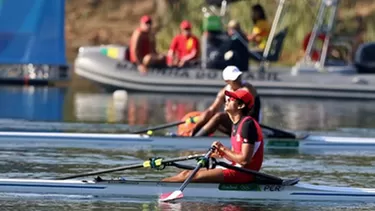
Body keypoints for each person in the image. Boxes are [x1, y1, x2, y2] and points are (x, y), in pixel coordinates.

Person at [162, 89, 264, 183]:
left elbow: (244, 160)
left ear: (241, 106)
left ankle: (158, 189)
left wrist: (223, 148)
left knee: (192, 176)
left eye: (232, 99)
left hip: (244, 173)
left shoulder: (248, 124)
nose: (227, 100)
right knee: (185, 173)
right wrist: (220, 154)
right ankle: (160, 184)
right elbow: (236, 156)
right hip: (235, 168)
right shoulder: (236, 124)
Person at [190, 65, 261, 137]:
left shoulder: (247, 89)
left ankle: (196, 138)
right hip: (235, 122)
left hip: (249, 125)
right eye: (235, 79)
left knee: (219, 117)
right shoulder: (224, 91)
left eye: (239, 77)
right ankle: (193, 135)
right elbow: (211, 110)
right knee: (210, 116)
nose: (238, 81)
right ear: (227, 81)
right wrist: (195, 127)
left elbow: (246, 112)